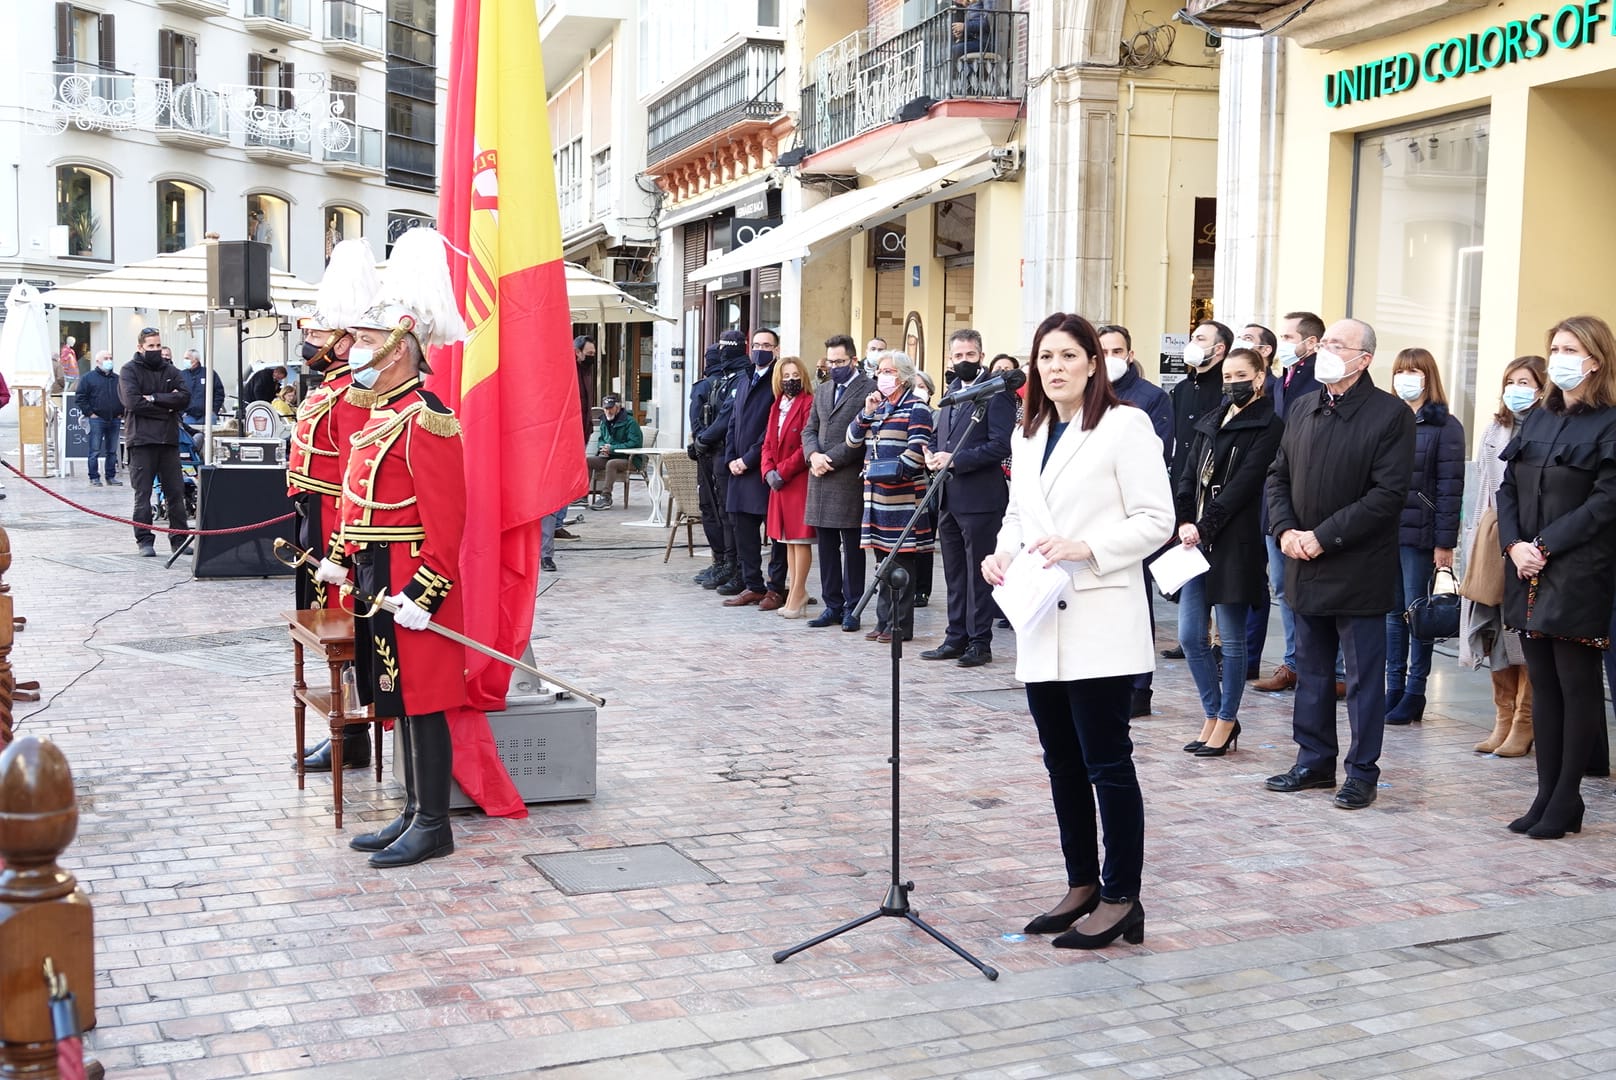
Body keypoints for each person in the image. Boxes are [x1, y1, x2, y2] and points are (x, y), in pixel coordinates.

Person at [981, 312, 1173, 950]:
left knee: (1107, 762)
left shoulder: (1126, 426)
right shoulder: (1029, 433)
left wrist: (1085, 546)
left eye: (1068, 356)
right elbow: (1017, 514)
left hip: (1099, 615)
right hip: (1041, 618)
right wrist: (1002, 551)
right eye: (1044, 358)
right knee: (1060, 761)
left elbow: (1155, 519)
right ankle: (1081, 884)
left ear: (1095, 362)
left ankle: (1122, 896)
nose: (1055, 368)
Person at [312, 231, 469, 869]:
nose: (356, 352)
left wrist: (425, 594)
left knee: (425, 704)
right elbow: (362, 502)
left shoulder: (429, 419)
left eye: (370, 342)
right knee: (395, 697)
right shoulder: (384, 415)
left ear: (403, 349)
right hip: (380, 578)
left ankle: (435, 823)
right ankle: (411, 810)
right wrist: (345, 559)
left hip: (412, 585)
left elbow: (448, 523)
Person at [1264, 317, 1414, 811]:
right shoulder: (1305, 406)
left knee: (1364, 677)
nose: (1324, 350)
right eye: (1324, 342)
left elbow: (1387, 494)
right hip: (1302, 559)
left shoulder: (1390, 415)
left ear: (1364, 358)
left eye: (1336, 344)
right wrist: (1286, 530)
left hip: (1357, 565)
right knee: (1310, 667)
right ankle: (1313, 760)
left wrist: (1322, 537)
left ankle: (1362, 771)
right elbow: (1277, 476)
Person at [1497, 316, 1616, 840]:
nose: (1560, 357)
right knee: (1543, 686)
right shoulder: (1538, 419)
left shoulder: (1610, 422)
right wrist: (1516, 544)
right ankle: (1546, 794)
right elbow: (1507, 488)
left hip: (1578, 568)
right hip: (1526, 567)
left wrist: (1545, 545)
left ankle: (1568, 796)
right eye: (1555, 348)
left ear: (1595, 358)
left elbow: (1605, 501)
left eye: (1571, 349)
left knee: (1576, 683)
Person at [285, 239, 381, 771]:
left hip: (332, 525)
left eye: (319, 331)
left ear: (345, 341)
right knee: (323, 631)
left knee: (340, 630)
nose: (311, 339)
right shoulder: (330, 383)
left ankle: (353, 734)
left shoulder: (349, 393)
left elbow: (352, 475)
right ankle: (341, 728)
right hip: (311, 522)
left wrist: (341, 547)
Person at [1172, 348, 1284, 757]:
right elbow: (1188, 473)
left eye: (1241, 374)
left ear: (1259, 377)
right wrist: (1186, 519)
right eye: (1227, 375)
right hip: (1195, 541)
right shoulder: (1212, 419)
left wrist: (1205, 526)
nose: (1232, 382)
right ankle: (1213, 712)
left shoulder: (1269, 424)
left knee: (1232, 640)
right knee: (1189, 634)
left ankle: (1226, 718)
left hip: (1234, 542)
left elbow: (1246, 484)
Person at [1460, 355, 1545, 758]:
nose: (1516, 389)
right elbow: (1482, 489)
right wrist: (1475, 543)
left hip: (1533, 540)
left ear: (1542, 387)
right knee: (1495, 627)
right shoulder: (1496, 428)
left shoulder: (1549, 427)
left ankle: (1524, 723)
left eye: (1525, 381)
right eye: (1511, 381)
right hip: (1494, 536)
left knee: (1523, 634)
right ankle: (1503, 717)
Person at [923, 328, 1014, 668]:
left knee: (978, 573)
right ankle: (955, 635)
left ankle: (979, 641)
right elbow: (937, 435)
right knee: (953, 573)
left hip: (980, 498)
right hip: (948, 496)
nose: (963, 361)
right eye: (958, 356)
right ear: (950, 358)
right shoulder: (950, 392)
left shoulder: (996, 394)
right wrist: (932, 453)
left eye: (970, 355)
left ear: (981, 355)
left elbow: (1000, 444)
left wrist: (956, 459)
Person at [1384, 347, 1465, 726]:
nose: (1406, 378)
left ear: (1428, 377)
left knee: (1420, 616)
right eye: (1401, 371)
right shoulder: (1389, 417)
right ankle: (1393, 687)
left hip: (1422, 536)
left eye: (1414, 372)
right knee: (1390, 615)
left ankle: (1415, 691)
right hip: (1386, 532)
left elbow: (1451, 488)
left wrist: (1444, 542)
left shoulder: (1445, 426)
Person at [1099, 324, 1174, 716]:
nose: (1110, 357)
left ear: (1129, 354)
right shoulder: (1088, 395)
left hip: (1132, 515)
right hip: (1095, 519)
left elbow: (1156, 455)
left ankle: (1139, 687)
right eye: (1103, 350)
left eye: (1117, 350)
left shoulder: (1152, 398)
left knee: (1134, 601)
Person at [1253, 310, 1327, 693]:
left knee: (1313, 588)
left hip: (1306, 498)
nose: (1283, 343)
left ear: (1310, 342)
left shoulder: (1319, 379)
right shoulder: (1282, 378)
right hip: (1275, 497)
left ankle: (1324, 667)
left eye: (1288, 336)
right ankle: (1293, 662)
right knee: (1282, 586)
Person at [847, 351, 933, 644]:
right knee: (883, 564)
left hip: (902, 499)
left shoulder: (916, 407)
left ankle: (900, 625)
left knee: (901, 565)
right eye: (880, 371)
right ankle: (883, 621)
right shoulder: (879, 408)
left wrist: (888, 473)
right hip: (876, 500)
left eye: (889, 371)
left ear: (904, 375)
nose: (883, 376)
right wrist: (866, 412)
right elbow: (852, 440)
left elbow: (917, 452)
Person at [804, 335, 873, 631]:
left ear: (853, 361)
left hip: (847, 478)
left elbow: (861, 436)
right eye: (830, 362)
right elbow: (810, 428)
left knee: (852, 548)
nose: (834, 367)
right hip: (819, 479)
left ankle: (852, 607)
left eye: (840, 362)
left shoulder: (868, 389)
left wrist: (827, 459)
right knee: (827, 547)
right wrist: (813, 455)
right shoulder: (823, 389)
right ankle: (831, 605)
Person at [723, 328, 788, 608]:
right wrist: (730, 458)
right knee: (743, 529)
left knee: (776, 533)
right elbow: (733, 421)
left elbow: (771, 430)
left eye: (767, 345)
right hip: (737, 467)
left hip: (763, 467)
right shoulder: (745, 377)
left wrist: (747, 460)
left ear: (776, 350)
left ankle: (776, 587)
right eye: (757, 344)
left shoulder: (778, 382)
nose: (761, 349)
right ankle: (753, 585)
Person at [118, 327, 191, 558]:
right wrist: (166, 408)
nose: (156, 350)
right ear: (140, 347)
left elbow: (185, 397)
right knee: (143, 493)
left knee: (175, 492)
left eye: (158, 346)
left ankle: (179, 538)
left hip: (168, 440)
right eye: (151, 346)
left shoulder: (170, 370)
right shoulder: (128, 370)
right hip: (141, 440)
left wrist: (156, 398)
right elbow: (133, 403)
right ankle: (144, 540)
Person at [761, 356, 816, 618]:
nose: (790, 379)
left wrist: (782, 471)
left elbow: (807, 443)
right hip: (778, 482)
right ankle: (795, 592)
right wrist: (768, 469)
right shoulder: (776, 405)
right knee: (786, 540)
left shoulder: (808, 403)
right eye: (786, 375)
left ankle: (798, 592)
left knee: (799, 539)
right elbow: (768, 443)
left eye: (795, 374)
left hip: (798, 479)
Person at [696, 331, 750, 593]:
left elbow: (727, 417)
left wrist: (704, 439)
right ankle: (726, 562)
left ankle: (737, 567)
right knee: (717, 511)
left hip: (730, 454)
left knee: (732, 516)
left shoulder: (743, 378)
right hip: (716, 452)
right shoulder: (727, 379)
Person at [687, 345, 729, 586]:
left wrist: (701, 442)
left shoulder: (704, 386)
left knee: (711, 509)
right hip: (726, 455)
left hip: (709, 455)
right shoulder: (736, 382)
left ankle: (720, 562)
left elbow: (696, 424)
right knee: (724, 510)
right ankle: (725, 562)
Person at [74, 350, 123, 487]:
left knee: (112, 451)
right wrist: (90, 413)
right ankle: (94, 477)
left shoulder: (117, 379)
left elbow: (124, 396)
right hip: (97, 419)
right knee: (94, 450)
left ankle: (110, 476)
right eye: (105, 358)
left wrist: (121, 412)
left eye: (110, 358)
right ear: (98, 361)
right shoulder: (88, 378)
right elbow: (80, 397)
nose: (109, 360)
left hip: (114, 418)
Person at [586, 394, 643, 509]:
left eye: (611, 408)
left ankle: (606, 497)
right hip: (609, 456)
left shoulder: (631, 422)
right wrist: (603, 447)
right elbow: (601, 439)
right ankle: (581, 495)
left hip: (630, 459)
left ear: (618, 407)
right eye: (606, 408)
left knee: (611, 464)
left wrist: (612, 448)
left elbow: (635, 443)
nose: (608, 411)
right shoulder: (604, 421)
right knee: (587, 461)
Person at [181, 349, 226, 425]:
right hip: (188, 417)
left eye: (187, 358)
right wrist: (181, 413)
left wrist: (214, 410)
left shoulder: (209, 373)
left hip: (208, 416)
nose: (185, 360)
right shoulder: (182, 375)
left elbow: (219, 393)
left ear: (195, 360)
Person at [574, 335, 598, 438]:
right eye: (589, 353)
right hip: (574, 428)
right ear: (578, 352)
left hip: (584, 428)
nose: (592, 356)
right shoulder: (571, 371)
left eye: (593, 353)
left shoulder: (587, 371)